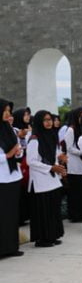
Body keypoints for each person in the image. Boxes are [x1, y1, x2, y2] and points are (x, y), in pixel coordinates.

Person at [27, 110, 66, 247]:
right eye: (45, 120)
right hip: (40, 180)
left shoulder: (51, 136)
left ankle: (53, 235)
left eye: (50, 119)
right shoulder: (34, 139)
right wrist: (51, 168)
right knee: (43, 210)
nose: (49, 122)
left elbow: (54, 156)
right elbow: (31, 161)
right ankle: (42, 238)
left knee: (53, 208)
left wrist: (59, 165)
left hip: (52, 178)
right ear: (39, 122)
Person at [0, 99, 24, 258]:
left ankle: (11, 246)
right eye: (5, 110)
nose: (8, 114)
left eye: (9, 110)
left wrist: (17, 152)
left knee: (12, 214)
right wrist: (7, 155)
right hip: (1, 178)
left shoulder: (8, 129)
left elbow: (17, 150)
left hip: (13, 176)